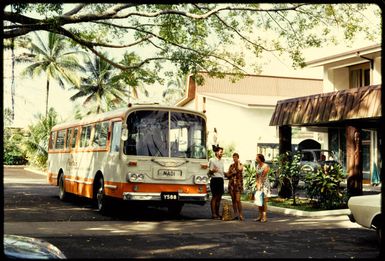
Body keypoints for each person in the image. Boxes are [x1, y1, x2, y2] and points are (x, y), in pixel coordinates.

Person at [225, 152, 244, 221]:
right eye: (233, 157)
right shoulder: (231, 166)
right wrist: (231, 173)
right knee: (233, 200)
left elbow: (239, 169)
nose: (234, 158)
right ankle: (235, 214)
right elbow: (227, 175)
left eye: (236, 157)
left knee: (238, 200)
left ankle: (241, 214)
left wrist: (238, 162)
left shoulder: (241, 165)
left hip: (238, 185)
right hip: (232, 185)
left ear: (238, 158)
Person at [208, 146, 225, 220]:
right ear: (216, 152)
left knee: (219, 197)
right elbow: (210, 171)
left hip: (221, 180)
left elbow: (222, 172)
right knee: (214, 197)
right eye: (221, 152)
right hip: (214, 179)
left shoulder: (222, 161)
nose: (222, 153)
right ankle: (213, 214)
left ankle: (218, 214)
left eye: (222, 152)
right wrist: (213, 171)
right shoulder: (212, 160)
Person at [255, 153, 271, 222]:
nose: (256, 159)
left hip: (265, 185)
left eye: (257, 157)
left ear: (260, 158)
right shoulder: (257, 166)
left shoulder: (266, 166)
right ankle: (260, 216)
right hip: (259, 184)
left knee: (264, 201)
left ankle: (264, 217)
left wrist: (260, 184)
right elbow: (257, 176)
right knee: (259, 201)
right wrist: (256, 184)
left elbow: (263, 176)